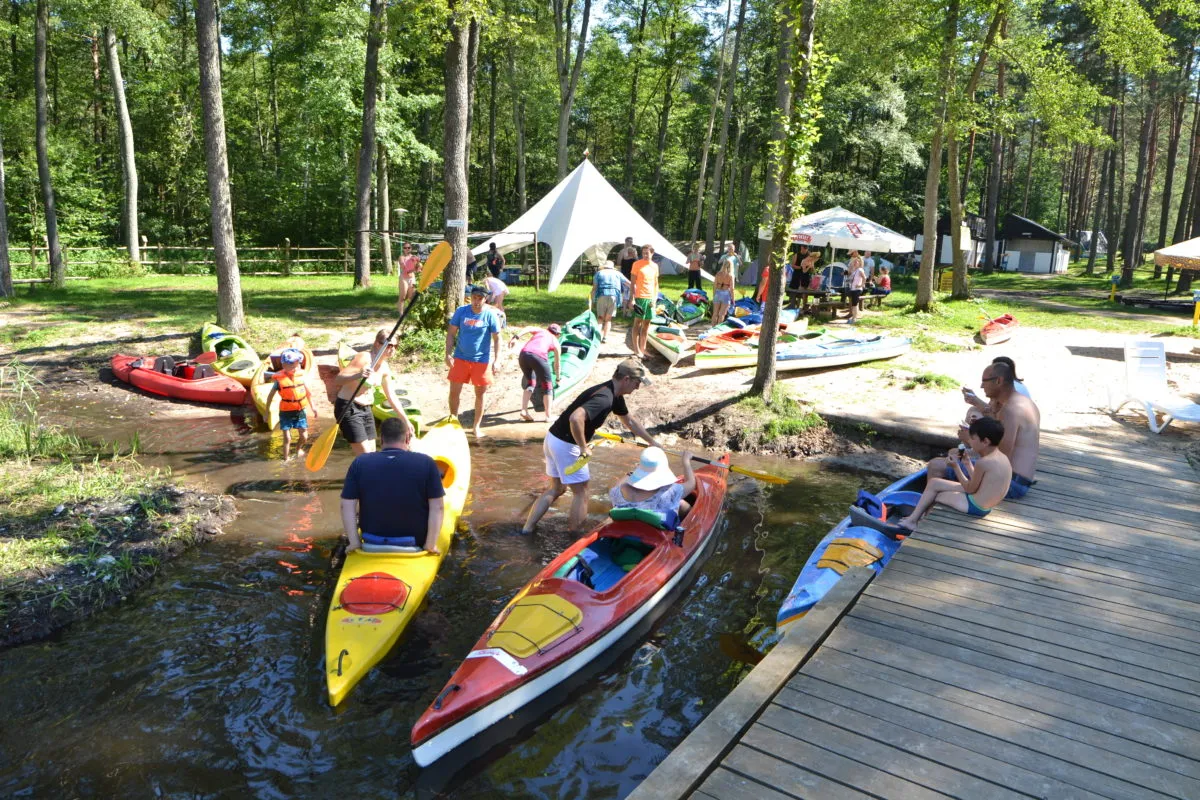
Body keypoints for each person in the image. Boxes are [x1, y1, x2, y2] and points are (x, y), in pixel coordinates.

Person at [522, 359, 659, 535]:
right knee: (581, 493)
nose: (637, 387)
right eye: (637, 382)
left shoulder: (613, 394)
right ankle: (575, 535)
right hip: (566, 445)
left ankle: (527, 528)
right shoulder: (605, 398)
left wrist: (652, 442)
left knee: (557, 488)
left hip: (553, 439)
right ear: (626, 379)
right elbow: (575, 418)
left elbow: (630, 421)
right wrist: (583, 447)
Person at [932, 360, 1039, 500]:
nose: (982, 385)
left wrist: (970, 440)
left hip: (1011, 483)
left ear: (999, 381)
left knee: (936, 465)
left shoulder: (1011, 410)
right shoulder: (1023, 402)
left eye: (985, 381)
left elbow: (1000, 455)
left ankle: (929, 511)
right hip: (1019, 479)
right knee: (954, 454)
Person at [340, 417, 444, 554]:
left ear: (381, 439)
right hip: (413, 543)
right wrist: (430, 545)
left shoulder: (360, 463)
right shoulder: (427, 463)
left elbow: (346, 505)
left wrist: (354, 543)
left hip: (371, 542)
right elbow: (438, 507)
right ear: (407, 438)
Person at [896, 417, 1011, 532]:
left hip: (976, 505)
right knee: (934, 482)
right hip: (984, 500)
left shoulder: (983, 462)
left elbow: (970, 488)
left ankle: (916, 523)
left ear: (985, 441)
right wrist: (967, 463)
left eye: (972, 438)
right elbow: (977, 482)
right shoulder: (1001, 457)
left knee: (937, 495)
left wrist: (956, 467)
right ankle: (914, 518)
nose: (970, 442)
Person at [335, 329, 409, 456]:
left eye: (395, 346)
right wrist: (358, 375)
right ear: (377, 343)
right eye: (388, 345)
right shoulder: (364, 357)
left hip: (367, 409)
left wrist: (405, 420)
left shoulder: (385, 368)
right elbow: (339, 379)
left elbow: (391, 396)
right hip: (349, 407)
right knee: (366, 457)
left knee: (373, 455)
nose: (392, 349)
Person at [446, 285, 504, 439]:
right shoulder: (461, 312)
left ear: (485, 299)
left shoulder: (490, 315)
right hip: (460, 358)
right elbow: (451, 333)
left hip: (481, 361)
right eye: (474, 297)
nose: (476, 301)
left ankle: (476, 427)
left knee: (480, 394)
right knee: (454, 392)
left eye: (480, 298)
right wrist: (447, 354)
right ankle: (453, 423)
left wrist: (497, 360)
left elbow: (497, 339)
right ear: (470, 297)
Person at [610, 448, 698, 520]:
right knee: (680, 503)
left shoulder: (616, 491)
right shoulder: (671, 491)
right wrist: (686, 461)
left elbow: (623, 480)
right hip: (656, 535)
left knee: (681, 503)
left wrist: (639, 471)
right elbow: (691, 483)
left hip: (627, 531)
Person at [265, 348, 314, 461]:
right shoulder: (279, 381)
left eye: (297, 366)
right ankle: (286, 459)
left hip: (300, 410)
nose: (294, 369)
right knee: (287, 437)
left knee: (304, 436)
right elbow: (270, 396)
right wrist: (266, 412)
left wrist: (314, 407)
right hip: (286, 411)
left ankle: (298, 449)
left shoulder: (301, 377)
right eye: (291, 367)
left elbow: (308, 393)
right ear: (283, 365)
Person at [513, 323, 563, 422]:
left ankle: (524, 410)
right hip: (538, 357)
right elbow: (557, 365)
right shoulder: (555, 341)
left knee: (531, 383)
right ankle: (548, 416)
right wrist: (557, 378)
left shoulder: (541, 331)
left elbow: (528, 327)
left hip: (523, 354)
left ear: (548, 329)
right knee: (548, 386)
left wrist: (516, 337)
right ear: (557, 334)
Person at [630, 244, 659, 359]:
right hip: (640, 297)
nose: (645, 255)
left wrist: (655, 298)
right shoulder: (636, 264)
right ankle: (636, 350)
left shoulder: (655, 266)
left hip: (650, 298)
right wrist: (632, 299)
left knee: (647, 324)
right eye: (643, 253)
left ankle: (643, 349)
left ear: (652, 253)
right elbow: (632, 284)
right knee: (637, 323)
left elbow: (656, 284)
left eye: (647, 253)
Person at [590, 259, 629, 343]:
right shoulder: (618, 273)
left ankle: (597, 338)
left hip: (602, 295)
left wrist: (591, 301)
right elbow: (629, 283)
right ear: (612, 267)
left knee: (600, 318)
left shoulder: (599, 273)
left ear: (604, 267)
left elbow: (594, 288)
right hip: (614, 296)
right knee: (608, 319)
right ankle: (605, 338)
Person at [397, 242, 420, 314]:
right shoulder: (401, 257)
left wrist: (418, 265)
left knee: (411, 297)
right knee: (402, 297)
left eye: (408, 247)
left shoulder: (414, 257)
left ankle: (409, 313)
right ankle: (401, 315)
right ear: (403, 249)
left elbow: (418, 268)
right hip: (404, 278)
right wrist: (415, 269)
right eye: (405, 248)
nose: (407, 249)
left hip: (412, 278)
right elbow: (405, 269)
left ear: (411, 249)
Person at [711, 258, 735, 324]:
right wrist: (733, 299)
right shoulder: (731, 276)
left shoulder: (718, 274)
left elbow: (714, 286)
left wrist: (714, 295)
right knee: (721, 314)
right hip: (726, 294)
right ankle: (717, 330)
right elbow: (732, 289)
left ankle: (712, 328)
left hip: (717, 293)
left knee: (715, 313)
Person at [846, 250, 866, 322]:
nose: (854, 263)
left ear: (859, 263)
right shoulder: (855, 270)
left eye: (856, 262)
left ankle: (854, 318)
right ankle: (853, 317)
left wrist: (861, 285)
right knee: (854, 305)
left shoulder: (860, 270)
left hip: (857, 289)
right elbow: (851, 277)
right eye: (854, 262)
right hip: (853, 289)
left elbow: (864, 278)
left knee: (854, 304)